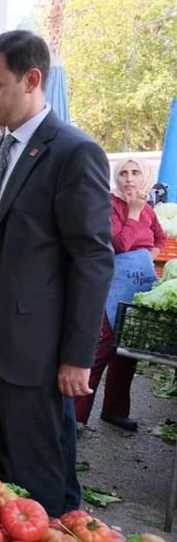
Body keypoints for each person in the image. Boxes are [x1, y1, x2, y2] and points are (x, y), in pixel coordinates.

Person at [0, 30, 114, 517]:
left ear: (32, 79)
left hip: (36, 352)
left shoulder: (72, 152)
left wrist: (76, 356)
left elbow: (91, 258)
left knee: (38, 477)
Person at [76, 158, 166, 432]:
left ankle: (115, 410)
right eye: (123, 173)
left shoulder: (149, 209)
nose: (129, 178)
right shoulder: (109, 205)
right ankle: (76, 417)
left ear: (144, 177)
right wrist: (134, 213)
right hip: (109, 285)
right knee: (101, 348)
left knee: (127, 350)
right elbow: (118, 244)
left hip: (137, 284)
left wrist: (148, 256)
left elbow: (160, 238)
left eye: (135, 172)